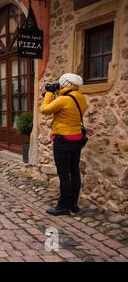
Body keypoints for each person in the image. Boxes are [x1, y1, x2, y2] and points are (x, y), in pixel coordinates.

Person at [40, 73, 87, 216]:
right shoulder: (80, 97)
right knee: (74, 171)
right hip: (77, 139)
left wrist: (49, 93)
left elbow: (44, 110)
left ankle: (63, 206)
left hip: (63, 140)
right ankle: (73, 204)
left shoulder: (64, 100)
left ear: (65, 84)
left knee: (64, 174)